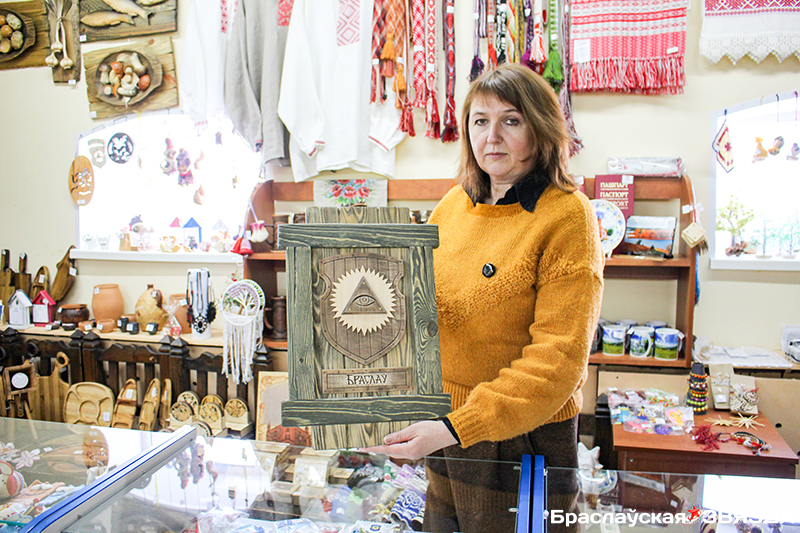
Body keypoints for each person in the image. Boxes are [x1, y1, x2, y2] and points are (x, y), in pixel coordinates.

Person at [365, 64, 604, 532]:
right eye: (480, 120)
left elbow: (558, 361)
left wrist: (458, 427)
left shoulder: (568, 217)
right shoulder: (454, 205)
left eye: (510, 120)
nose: (491, 136)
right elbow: (421, 311)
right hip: (444, 427)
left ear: (540, 129)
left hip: (523, 438)